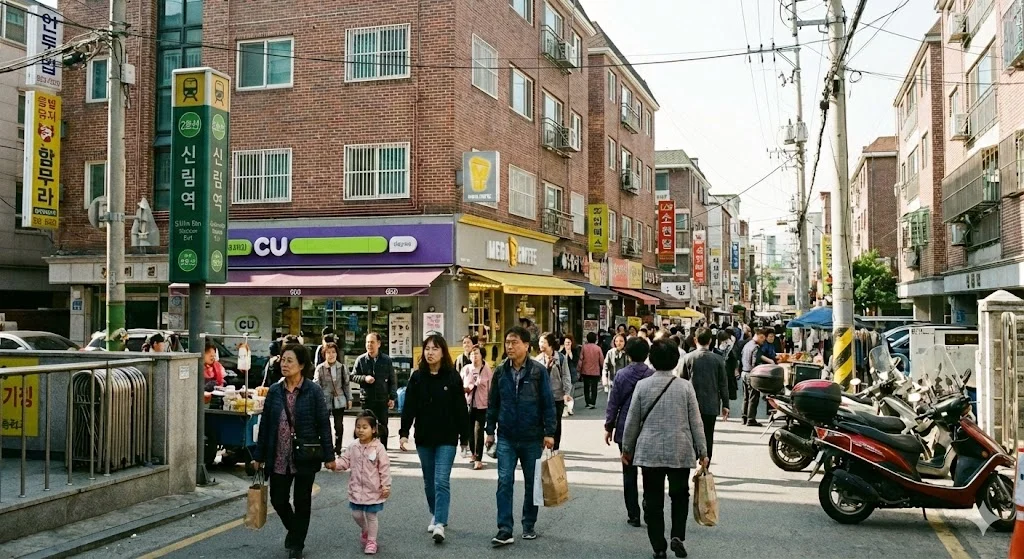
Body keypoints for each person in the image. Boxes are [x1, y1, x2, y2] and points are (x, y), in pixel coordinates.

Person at [621, 339, 709, 559]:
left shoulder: (642, 386)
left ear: (652, 360)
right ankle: (677, 535)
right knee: (680, 495)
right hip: (679, 449)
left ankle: (659, 547)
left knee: (653, 500)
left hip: (650, 451)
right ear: (674, 360)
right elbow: (696, 421)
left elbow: (632, 420)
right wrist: (703, 451)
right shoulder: (685, 386)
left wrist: (627, 448)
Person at [251, 343, 337, 559]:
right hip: (278, 455)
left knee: (302, 501)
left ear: (301, 364)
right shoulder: (274, 391)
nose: (284, 364)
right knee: (278, 500)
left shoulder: (313, 391)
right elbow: (265, 426)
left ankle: (296, 545)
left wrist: (329, 456)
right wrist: (259, 456)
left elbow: (324, 424)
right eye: (283, 359)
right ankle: (295, 531)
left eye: (289, 360)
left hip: (305, 456)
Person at [485, 326, 556, 547]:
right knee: (504, 482)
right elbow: (493, 402)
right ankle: (504, 529)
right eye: (507, 342)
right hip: (506, 435)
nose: (509, 346)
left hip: (531, 436)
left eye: (514, 342)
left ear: (526, 345)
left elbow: (548, 402)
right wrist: (489, 431)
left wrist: (550, 432)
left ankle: (528, 524)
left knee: (531, 483)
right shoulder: (500, 371)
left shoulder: (537, 371)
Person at [398, 334, 470, 544]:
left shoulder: (452, 377)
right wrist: (404, 433)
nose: (430, 352)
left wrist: (465, 439)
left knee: (441, 481)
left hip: (447, 437)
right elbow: (409, 407)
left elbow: (460, 410)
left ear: (443, 352)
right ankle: (435, 512)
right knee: (429, 482)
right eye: (427, 348)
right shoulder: (417, 377)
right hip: (424, 437)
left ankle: (440, 522)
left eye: (435, 348)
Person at [604, 337, 655, 527]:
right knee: (649, 474)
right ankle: (650, 509)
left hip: (625, 427)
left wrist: (609, 427)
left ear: (628, 353)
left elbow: (613, 404)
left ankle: (633, 514)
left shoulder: (621, 375)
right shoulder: (652, 375)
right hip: (648, 429)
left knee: (629, 472)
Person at [336, 410, 391, 555]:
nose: (360, 430)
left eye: (365, 427)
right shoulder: (353, 446)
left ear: (373, 430)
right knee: (356, 514)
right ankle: (365, 530)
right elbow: (345, 461)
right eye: (358, 427)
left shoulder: (378, 447)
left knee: (372, 516)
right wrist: (335, 465)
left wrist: (386, 485)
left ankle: (372, 541)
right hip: (356, 489)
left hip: (373, 489)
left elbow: (384, 468)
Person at [680, 328, 730, 461]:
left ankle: (691, 462)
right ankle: (705, 466)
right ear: (711, 341)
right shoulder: (718, 360)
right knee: (708, 435)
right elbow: (723, 384)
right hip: (711, 405)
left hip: (690, 405)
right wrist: (725, 405)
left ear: (695, 340)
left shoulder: (687, 358)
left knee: (689, 435)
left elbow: (681, 382)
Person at [352, 333, 398, 450]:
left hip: (382, 398)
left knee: (382, 426)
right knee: (365, 425)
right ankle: (365, 449)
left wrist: (392, 397)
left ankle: (383, 450)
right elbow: (352, 376)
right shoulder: (361, 360)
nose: (369, 345)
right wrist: (364, 378)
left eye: (372, 342)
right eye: (367, 342)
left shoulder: (386, 360)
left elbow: (393, 380)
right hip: (367, 399)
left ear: (378, 344)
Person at [314, 342, 352, 455]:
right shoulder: (320, 368)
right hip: (324, 400)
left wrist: (349, 398)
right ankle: (326, 447)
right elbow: (316, 384)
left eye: (333, 352)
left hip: (339, 399)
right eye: (328, 352)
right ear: (324, 354)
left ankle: (338, 447)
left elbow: (346, 384)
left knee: (338, 425)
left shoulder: (342, 367)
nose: (331, 355)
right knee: (324, 425)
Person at [537, 332, 572, 450]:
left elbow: (566, 376)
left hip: (557, 396)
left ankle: (555, 448)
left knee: (556, 423)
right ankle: (542, 446)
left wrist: (567, 393)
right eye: (540, 341)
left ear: (550, 344)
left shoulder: (560, 358)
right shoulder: (538, 360)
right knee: (541, 422)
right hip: (542, 398)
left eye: (543, 342)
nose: (540, 344)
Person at [461, 345, 493, 470]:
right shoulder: (466, 369)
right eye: (472, 354)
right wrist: (466, 389)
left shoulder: (487, 370)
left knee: (478, 430)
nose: (474, 356)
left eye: (477, 353)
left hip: (482, 404)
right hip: (468, 403)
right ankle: (474, 454)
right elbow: (459, 384)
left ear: (482, 355)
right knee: (469, 430)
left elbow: (491, 389)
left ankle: (479, 459)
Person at [741, 328, 768, 426]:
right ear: (758, 336)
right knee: (753, 397)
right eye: (762, 338)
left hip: (744, 372)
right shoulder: (756, 347)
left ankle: (744, 417)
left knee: (745, 397)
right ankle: (751, 419)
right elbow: (755, 362)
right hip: (751, 374)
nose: (762, 341)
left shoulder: (747, 345)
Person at [578, 332, 604, 409]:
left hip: (585, 371)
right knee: (594, 387)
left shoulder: (584, 347)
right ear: (595, 339)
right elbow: (601, 360)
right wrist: (603, 369)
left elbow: (581, 359)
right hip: (595, 371)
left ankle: (587, 402)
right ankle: (592, 402)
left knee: (586, 387)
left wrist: (579, 369)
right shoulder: (598, 348)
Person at [714, 330, 739, 402]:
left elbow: (734, 359)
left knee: (726, 390)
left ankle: (725, 406)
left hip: (728, 371)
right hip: (721, 370)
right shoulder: (716, 345)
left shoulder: (730, 346)